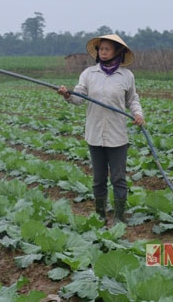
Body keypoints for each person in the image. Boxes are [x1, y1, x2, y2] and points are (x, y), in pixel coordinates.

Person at [57, 34, 145, 224]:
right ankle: (101, 216)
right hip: (95, 135)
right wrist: (67, 95)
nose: (103, 52)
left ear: (117, 53)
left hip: (117, 136)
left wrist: (138, 114)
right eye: (101, 49)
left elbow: (132, 100)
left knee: (119, 179)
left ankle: (119, 219)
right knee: (98, 180)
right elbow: (79, 97)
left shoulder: (126, 76)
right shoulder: (89, 74)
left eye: (108, 49)